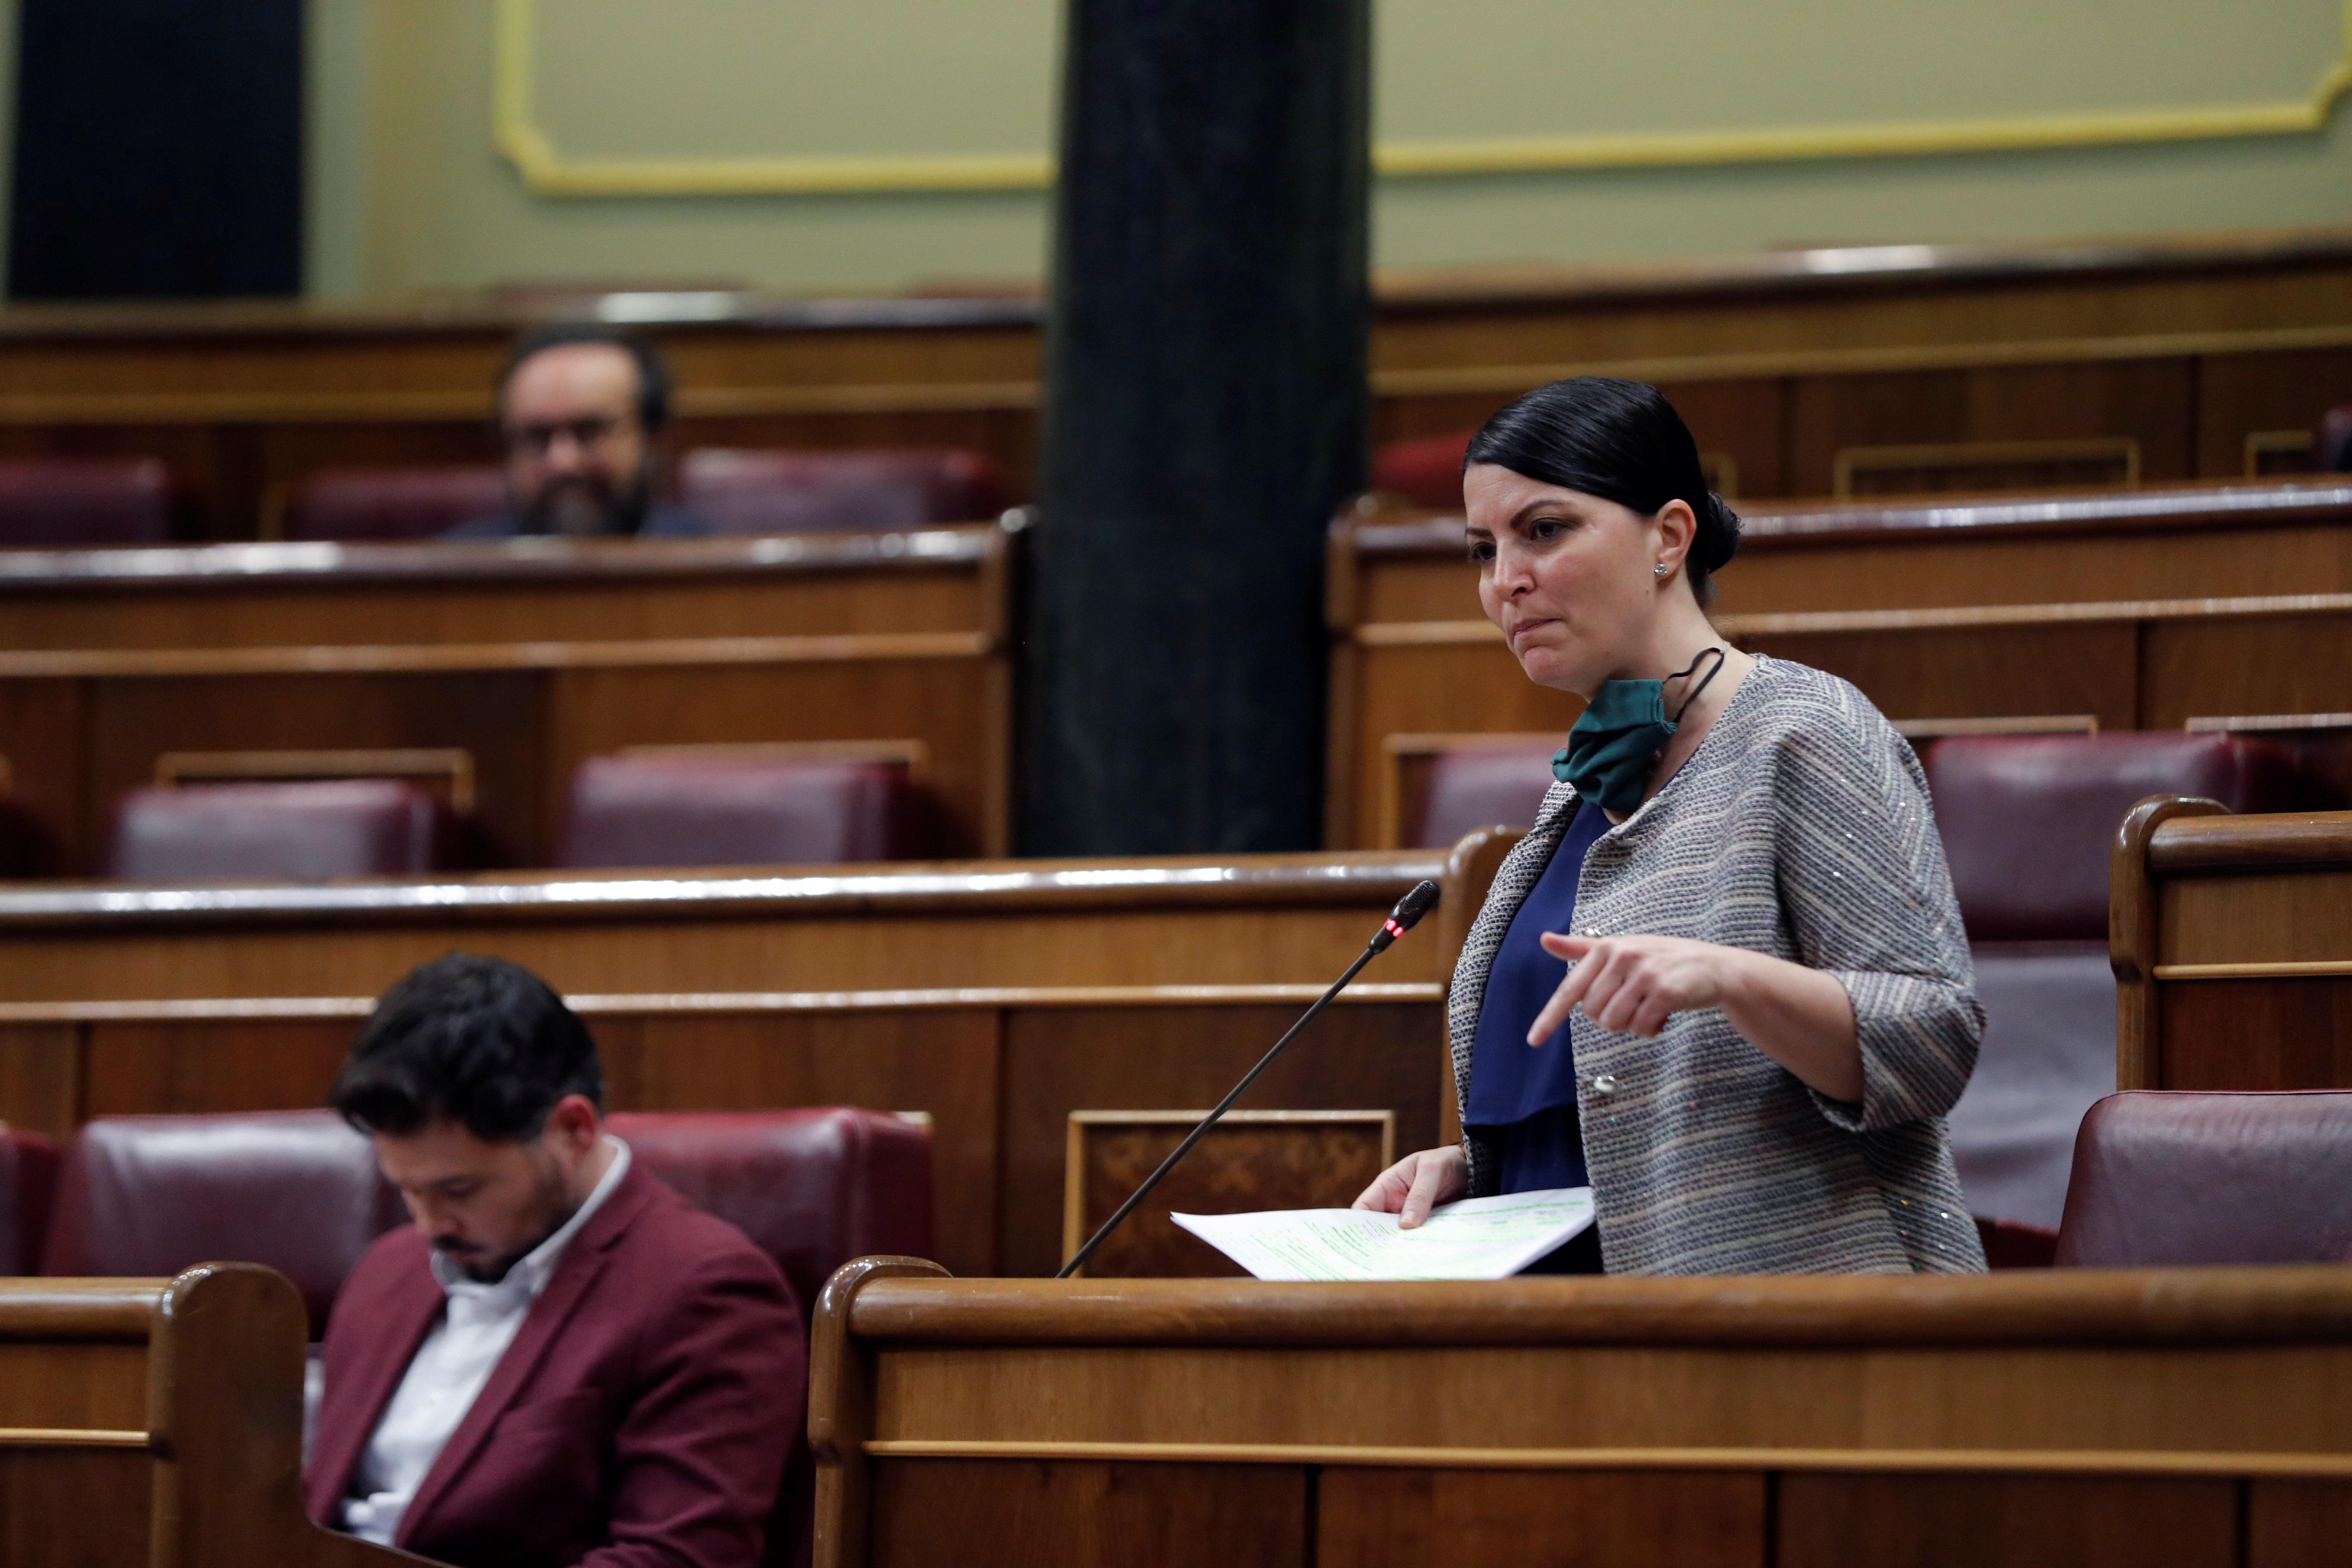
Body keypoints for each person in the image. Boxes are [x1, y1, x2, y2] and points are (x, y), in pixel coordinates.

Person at [1353, 376, 1986, 1275]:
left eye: (1543, 530)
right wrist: (1482, 1177)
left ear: (1670, 536)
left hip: (1804, 1350)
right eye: (1483, 549)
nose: (1505, 582)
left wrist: (1729, 977)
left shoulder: (1804, 732)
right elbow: (1610, 1104)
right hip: (1580, 1358)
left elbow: (1933, 1037)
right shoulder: (1577, 790)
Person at [306, 952, 802, 1566]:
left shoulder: (708, 1290)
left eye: (460, 1190)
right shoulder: (387, 1271)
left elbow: (676, 1559)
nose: (430, 1225)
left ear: (573, 1129)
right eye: (408, 1190)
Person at [449, 324, 711, 539]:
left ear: (655, 440)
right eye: (536, 436)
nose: (563, 462)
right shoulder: (449, 580)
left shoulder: (719, 573)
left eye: (591, 431)